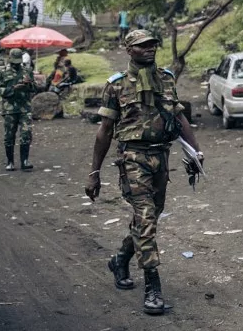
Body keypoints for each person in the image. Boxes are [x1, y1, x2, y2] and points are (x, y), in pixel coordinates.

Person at [85, 29, 204, 315]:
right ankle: (153, 286)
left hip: (161, 156)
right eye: (142, 46)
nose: (150, 49)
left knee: (148, 218)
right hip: (132, 157)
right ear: (129, 50)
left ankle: (120, 258)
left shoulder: (166, 79)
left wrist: (195, 151)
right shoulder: (115, 85)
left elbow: (178, 116)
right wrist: (94, 172)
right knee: (146, 217)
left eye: (152, 44)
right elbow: (105, 131)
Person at [0, 49, 38, 171]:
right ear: (10, 59)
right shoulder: (2, 72)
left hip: (25, 108)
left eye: (18, 62)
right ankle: (10, 161)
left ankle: (24, 161)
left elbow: (35, 88)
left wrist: (28, 84)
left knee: (26, 134)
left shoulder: (27, 71)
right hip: (10, 109)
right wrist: (13, 89)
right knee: (9, 135)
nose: (16, 64)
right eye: (14, 62)